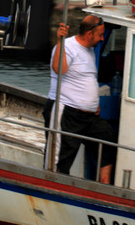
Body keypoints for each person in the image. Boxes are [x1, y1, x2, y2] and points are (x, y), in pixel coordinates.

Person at [48, 14, 115, 183]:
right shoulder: (67, 46)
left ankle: (104, 184)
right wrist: (59, 41)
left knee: (107, 136)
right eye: (100, 35)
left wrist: (93, 104)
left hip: (88, 116)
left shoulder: (90, 50)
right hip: (68, 112)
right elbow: (58, 69)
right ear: (89, 33)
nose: (102, 38)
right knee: (61, 156)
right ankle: (55, 184)